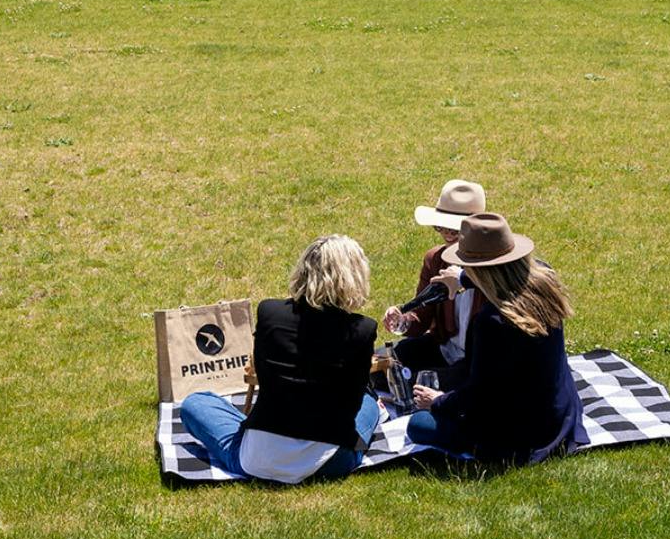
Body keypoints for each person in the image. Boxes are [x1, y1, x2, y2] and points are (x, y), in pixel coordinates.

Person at [180, 235, 381, 483]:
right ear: (354, 278)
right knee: (370, 402)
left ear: (303, 271)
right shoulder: (362, 330)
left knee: (195, 404)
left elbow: (265, 375)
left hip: (258, 457)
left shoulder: (269, 312)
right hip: (329, 462)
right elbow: (354, 396)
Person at [406, 213, 588, 466]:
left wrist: (437, 401)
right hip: (559, 413)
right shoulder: (544, 278)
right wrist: (460, 279)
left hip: (519, 433)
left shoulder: (493, 322)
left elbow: (481, 396)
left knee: (419, 425)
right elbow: (504, 277)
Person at [383, 180, 486, 387]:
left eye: (455, 229)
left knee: (415, 382)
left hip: (480, 360)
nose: (447, 234)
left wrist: (462, 279)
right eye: (440, 227)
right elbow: (421, 315)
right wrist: (403, 320)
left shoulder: (491, 268)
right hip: (444, 348)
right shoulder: (435, 259)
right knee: (385, 366)